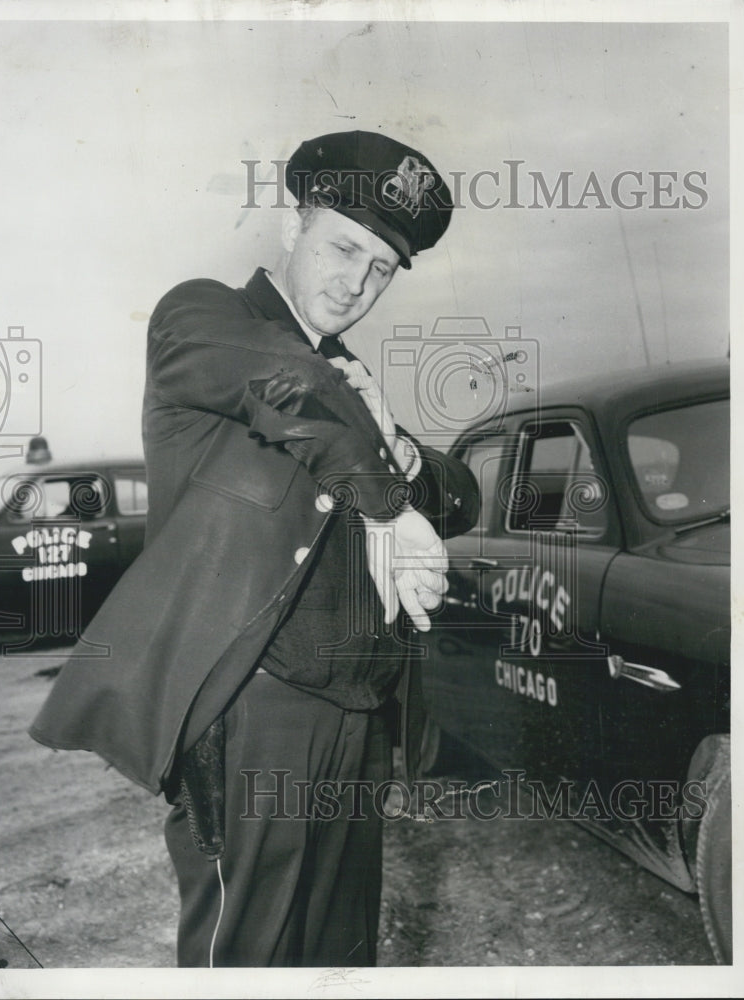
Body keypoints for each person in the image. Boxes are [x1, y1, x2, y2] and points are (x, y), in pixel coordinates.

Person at [30, 130, 479, 968]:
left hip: (357, 708)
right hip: (254, 708)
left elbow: (460, 492)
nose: (355, 283)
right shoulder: (205, 319)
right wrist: (388, 504)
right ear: (291, 226)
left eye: (380, 268)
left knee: (342, 956)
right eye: (343, 247)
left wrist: (408, 460)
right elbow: (292, 385)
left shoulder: (353, 387)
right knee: (250, 956)